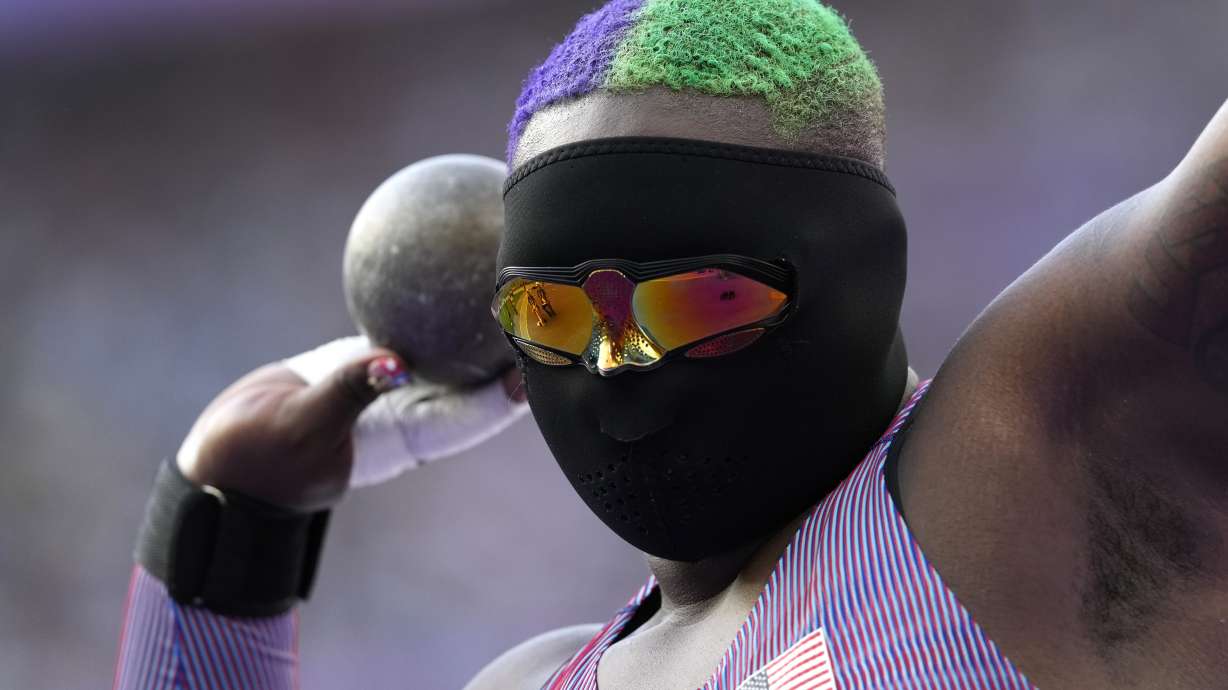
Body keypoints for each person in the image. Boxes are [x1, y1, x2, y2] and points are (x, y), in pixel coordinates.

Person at [114, 1, 1228, 688]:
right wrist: (225, 533)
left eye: (694, 303)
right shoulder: (531, 685)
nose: (616, 367)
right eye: (553, 317)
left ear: (859, 270)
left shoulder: (1035, 462)